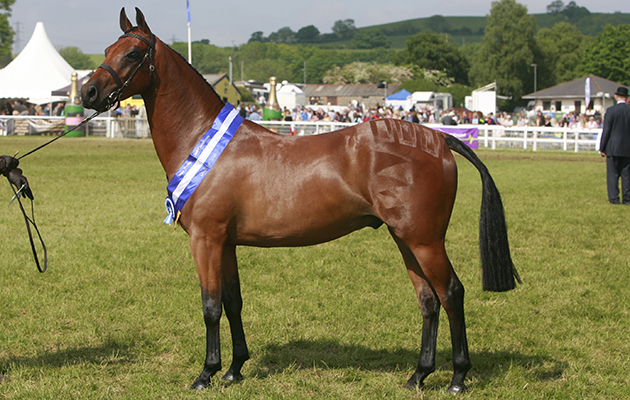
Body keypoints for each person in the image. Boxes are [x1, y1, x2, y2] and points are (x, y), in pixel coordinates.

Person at [599, 87, 630, 205]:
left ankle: (614, 198)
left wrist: (602, 147)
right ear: (627, 99)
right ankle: (627, 199)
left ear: (616, 97)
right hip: (627, 148)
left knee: (613, 174)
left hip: (613, 147)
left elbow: (606, 131)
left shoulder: (611, 111)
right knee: (627, 175)